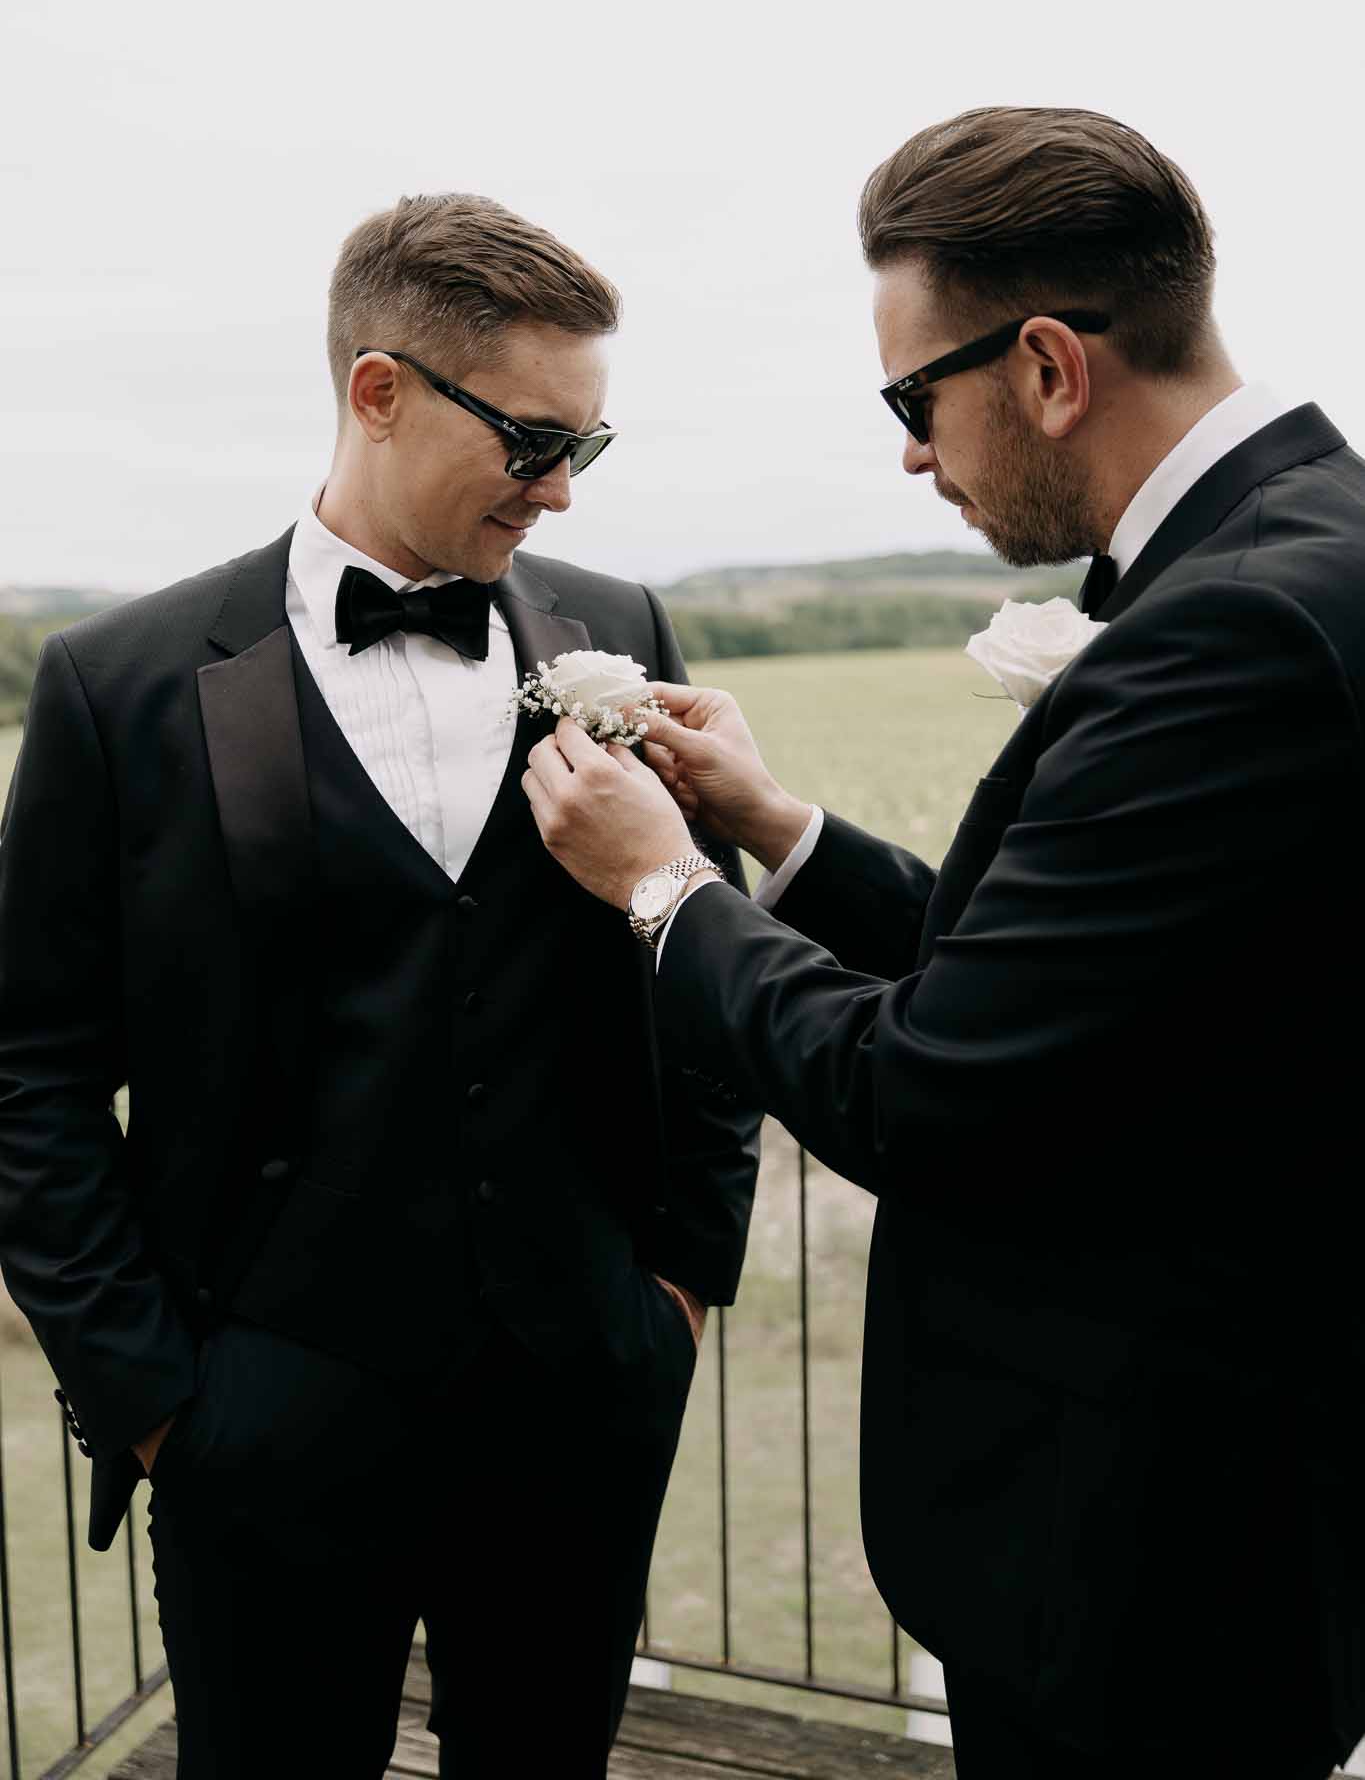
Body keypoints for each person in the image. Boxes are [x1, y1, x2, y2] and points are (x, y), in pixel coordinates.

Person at [520, 107, 1365, 1780]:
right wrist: (779, 829)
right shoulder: (1301, 547)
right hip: (1223, 1516)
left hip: (1153, 1549)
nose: (913, 454)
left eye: (916, 399)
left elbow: (926, 1089)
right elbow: (1087, 991)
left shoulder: (1236, 626)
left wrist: (661, 889)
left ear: (1046, 365)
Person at [0, 193, 759, 1778]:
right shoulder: (118, 683)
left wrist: (676, 1295)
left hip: (580, 1400)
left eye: (586, 452)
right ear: (378, 388)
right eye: (533, 442)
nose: (557, 492)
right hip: (256, 1410)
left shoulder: (615, 635)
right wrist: (151, 1397)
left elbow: (707, 969)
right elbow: (32, 1067)